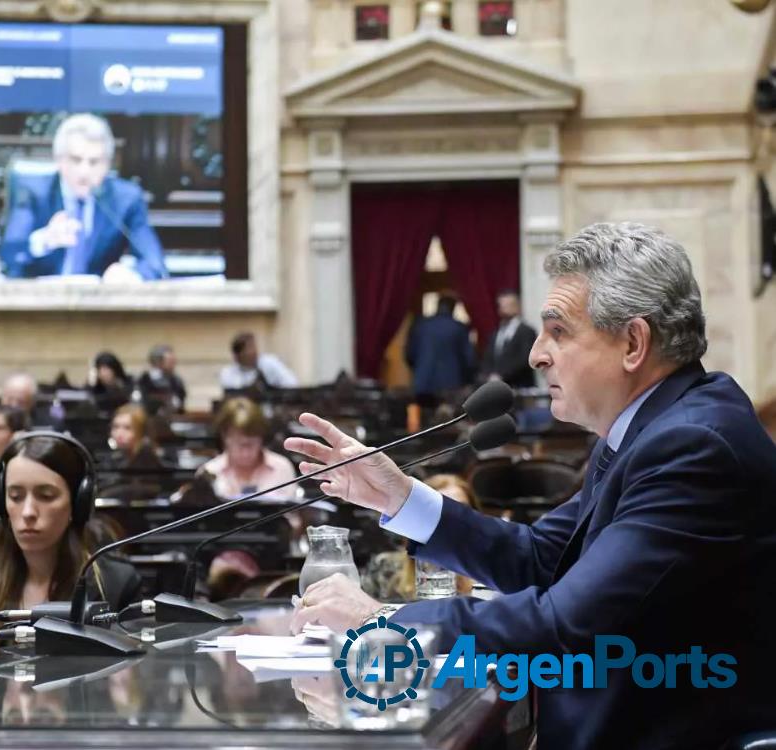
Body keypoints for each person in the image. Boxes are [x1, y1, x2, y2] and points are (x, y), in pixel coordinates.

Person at [285, 222, 776, 750]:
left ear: (633, 342)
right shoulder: (656, 426)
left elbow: (564, 624)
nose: (537, 355)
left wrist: (380, 618)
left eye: (559, 331)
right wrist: (400, 497)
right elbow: (544, 556)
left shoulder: (691, 446)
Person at [0, 433, 142, 656]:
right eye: (16, 496)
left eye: (46, 496)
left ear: (78, 504)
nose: (28, 512)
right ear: (2, 503)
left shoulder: (117, 585)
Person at [0, 113, 166, 280]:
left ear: (108, 164)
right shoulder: (33, 192)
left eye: (94, 162)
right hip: (39, 300)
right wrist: (44, 240)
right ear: (59, 160)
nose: (84, 172)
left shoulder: (125, 199)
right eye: (76, 160)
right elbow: (10, 254)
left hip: (98, 302)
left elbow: (155, 264)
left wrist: (132, 275)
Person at [361, 474, 480, 601]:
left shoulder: (489, 579)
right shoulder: (384, 569)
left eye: (460, 510)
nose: (449, 521)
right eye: (438, 510)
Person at [201, 397, 297, 500]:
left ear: (262, 438)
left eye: (252, 444)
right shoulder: (208, 472)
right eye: (239, 444)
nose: (245, 453)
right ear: (225, 438)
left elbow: (291, 514)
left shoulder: (282, 468)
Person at [404, 293, 476, 405]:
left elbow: (409, 354)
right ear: (453, 307)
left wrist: (419, 371)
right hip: (452, 384)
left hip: (423, 383)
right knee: (449, 420)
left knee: (426, 420)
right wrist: (469, 381)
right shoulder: (459, 328)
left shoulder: (420, 325)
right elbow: (468, 359)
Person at [480, 290, 537, 388]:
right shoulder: (497, 333)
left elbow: (525, 359)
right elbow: (489, 357)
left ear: (517, 306)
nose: (502, 309)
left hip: (519, 387)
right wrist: (489, 375)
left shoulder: (526, 331)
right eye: (501, 306)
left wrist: (502, 375)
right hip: (497, 388)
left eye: (507, 305)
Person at [220, 332, 298, 391]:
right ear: (238, 355)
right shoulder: (228, 373)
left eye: (254, 346)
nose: (254, 351)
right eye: (249, 348)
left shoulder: (269, 363)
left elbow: (291, 383)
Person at [137, 344, 187, 414]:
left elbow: (181, 398)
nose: (174, 363)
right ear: (158, 361)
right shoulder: (145, 379)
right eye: (170, 361)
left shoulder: (176, 380)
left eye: (174, 360)